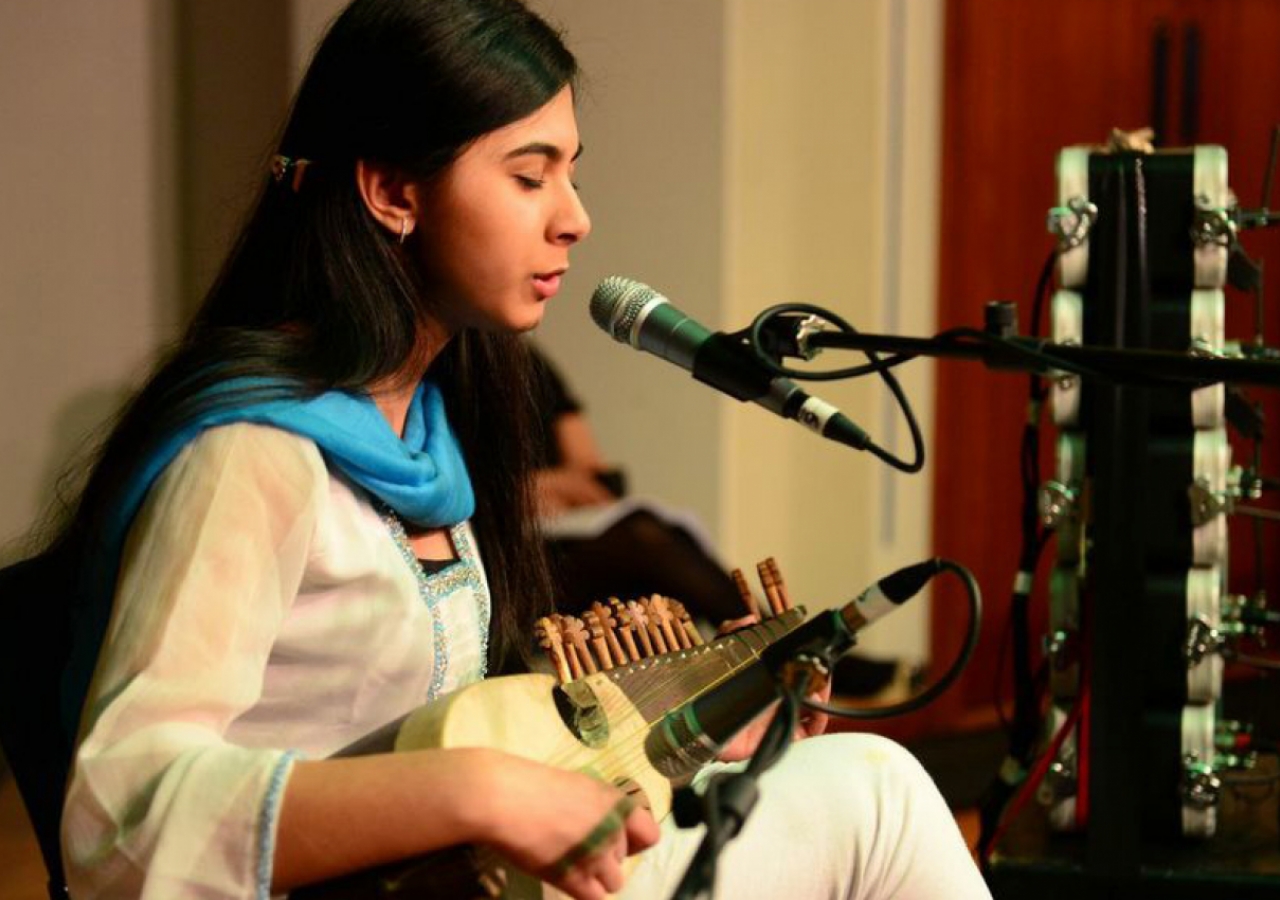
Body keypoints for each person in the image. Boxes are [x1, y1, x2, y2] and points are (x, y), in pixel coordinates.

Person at [35, 1, 991, 897]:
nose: (573, 216)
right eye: (529, 176)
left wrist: (685, 735)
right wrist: (478, 793)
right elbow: (118, 816)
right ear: (391, 190)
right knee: (876, 793)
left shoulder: (430, 435)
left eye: (570, 173)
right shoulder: (254, 457)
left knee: (862, 782)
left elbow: (450, 734)